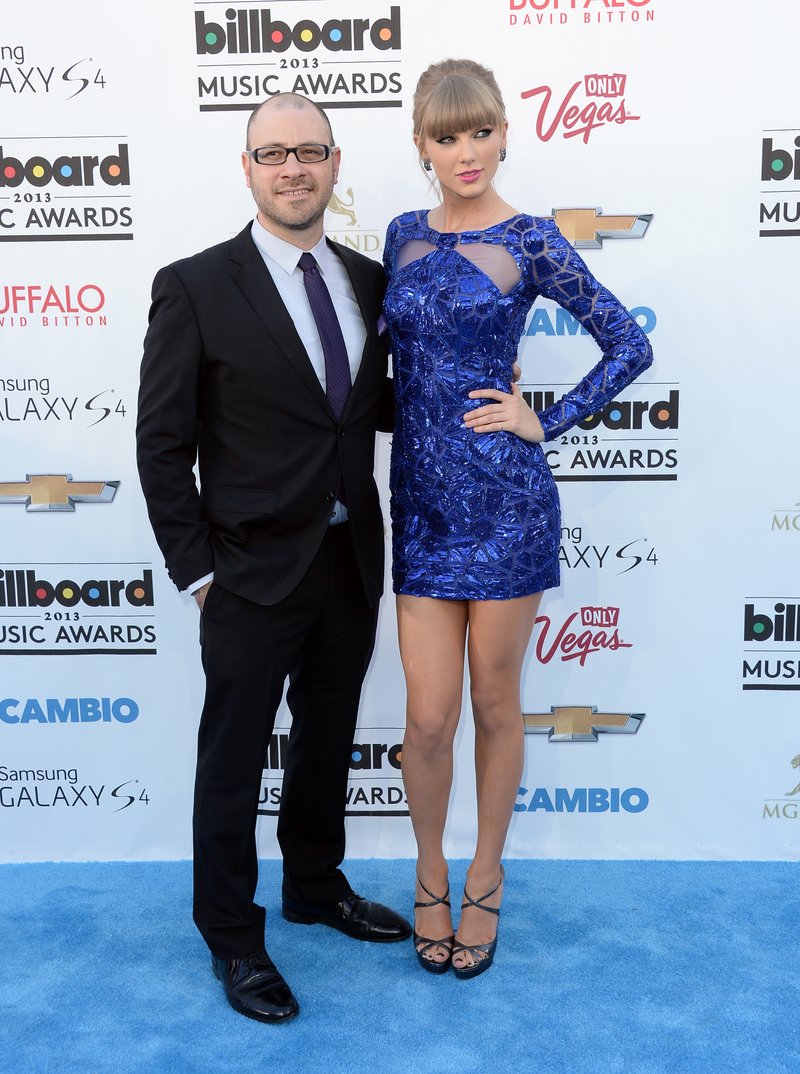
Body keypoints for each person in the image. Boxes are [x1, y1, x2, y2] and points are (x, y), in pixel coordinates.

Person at [136, 93, 409, 1025]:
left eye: (310, 152)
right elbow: (161, 442)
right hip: (247, 571)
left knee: (328, 736)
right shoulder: (196, 284)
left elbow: (373, 410)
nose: (293, 169)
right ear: (246, 168)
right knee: (233, 757)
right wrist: (198, 568)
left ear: (337, 165)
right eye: (273, 153)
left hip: (348, 559)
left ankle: (314, 885)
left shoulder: (373, 282)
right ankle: (231, 935)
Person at [382, 59, 653, 979]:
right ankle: (428, 877)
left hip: (504, 505)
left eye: (481, 131)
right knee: (426, 721)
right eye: (446, 136)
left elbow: (630, 343)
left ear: (504, 134)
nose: (466, 151)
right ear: (422, 146)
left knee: (496, 706)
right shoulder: (400, 237)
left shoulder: (534, 240)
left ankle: (486, 881)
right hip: (418, 509)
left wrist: (551, 417)